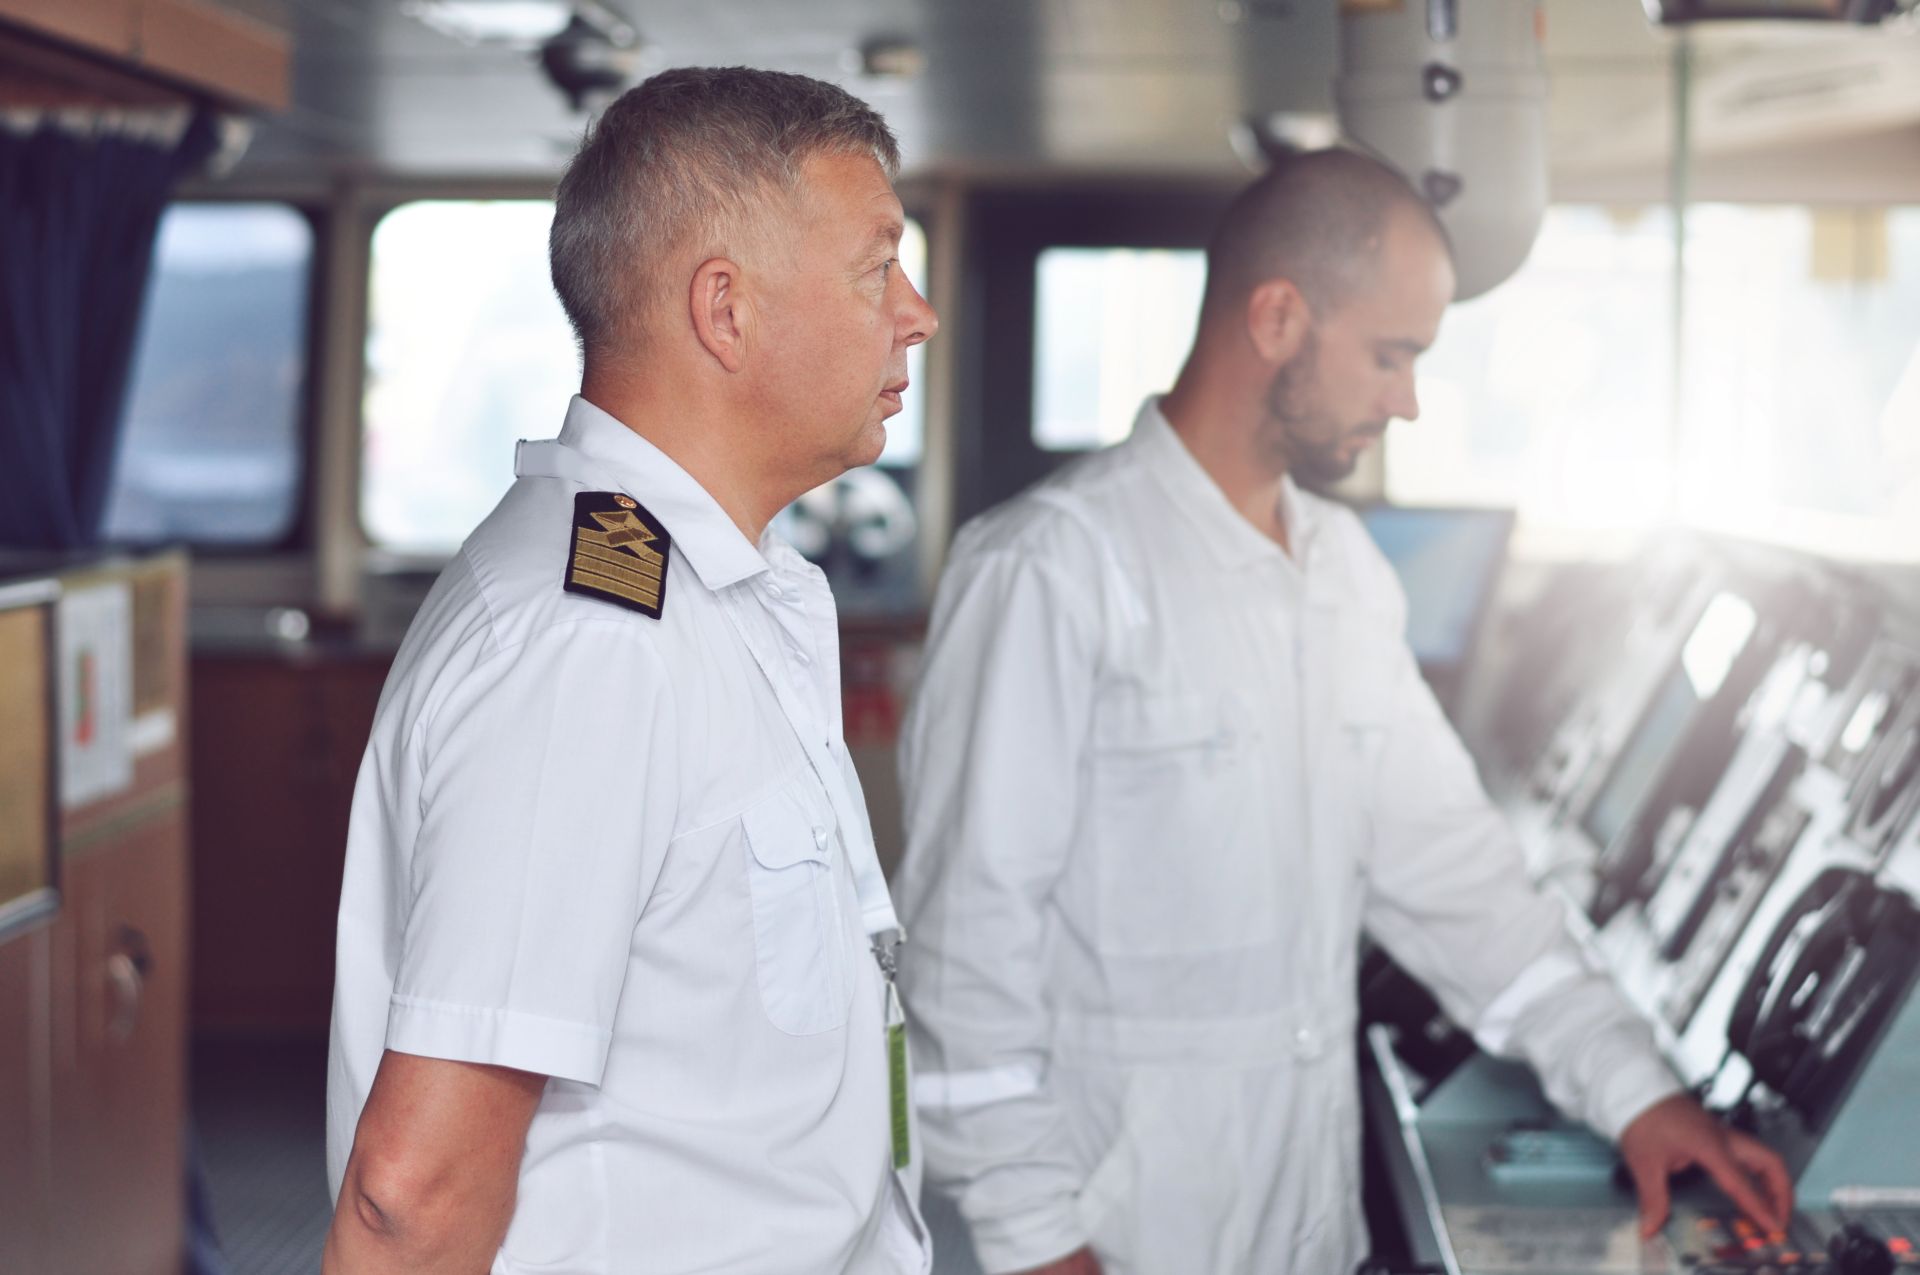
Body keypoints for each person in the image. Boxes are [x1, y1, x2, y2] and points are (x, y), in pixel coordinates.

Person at [891, 149, 1790, 1275]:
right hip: (1113, 1250)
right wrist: (1035, 1246)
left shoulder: (1345, 575)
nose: (1406, 400)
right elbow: (960, 972)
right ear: (1278, 318)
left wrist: (1639, 1090)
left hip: (1307, 1241)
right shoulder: (1051, 569)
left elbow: (1460, 884)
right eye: (1389, 355)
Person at [323, 66, 938, 1275]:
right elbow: (412, 1196)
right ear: (726, 309)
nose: (915, 312)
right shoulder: (591, 643)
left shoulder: (693, 598)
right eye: (878, 268)